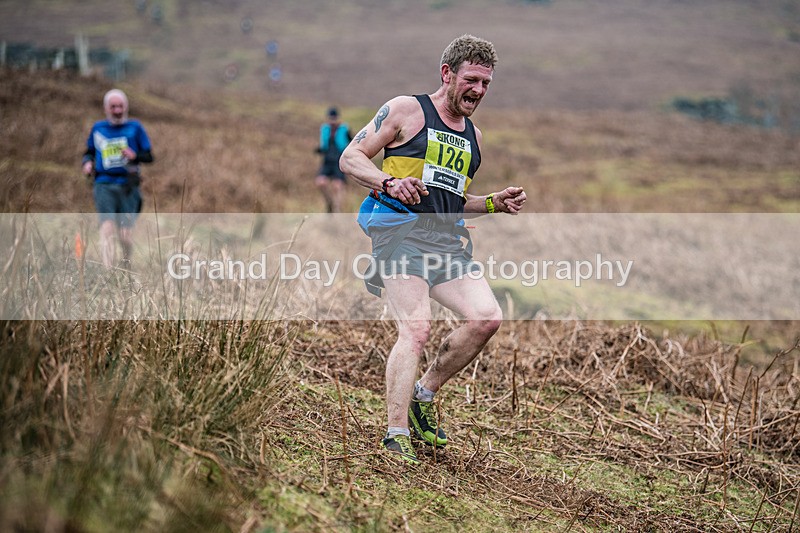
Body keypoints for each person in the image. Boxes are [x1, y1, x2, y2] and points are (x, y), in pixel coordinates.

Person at [340, 35, 527, 464]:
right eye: (472, 80)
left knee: (486, 319)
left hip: (445, 242)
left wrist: (494, 203)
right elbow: (351, 158)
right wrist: (388, 182)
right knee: (417, 330)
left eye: (486, 83)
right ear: (448, 74)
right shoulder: (407, 110)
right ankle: (395, 433)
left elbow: (452, 199)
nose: (479, 91)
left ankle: (423, 394)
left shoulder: (474, 136)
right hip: (400, 235)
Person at [82, 89, 153, 268]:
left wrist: (134, 155)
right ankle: (108, 272)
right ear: (106, 108)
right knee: (107, 228)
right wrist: (87, 163)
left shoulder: (135, 128)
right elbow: (89, 152)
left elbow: (149, 156)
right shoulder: (98, 129)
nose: (117, 110)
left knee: (125, 235)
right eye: (113, 107)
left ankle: (126, 264)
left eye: (120, 106)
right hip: (103, 184)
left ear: (126, 107)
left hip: (128, 185)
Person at [315, 107, 351, 213]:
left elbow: (352, 141)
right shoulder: (325, 129)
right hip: (327, 161)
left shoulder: (344, 129)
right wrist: (319, 150)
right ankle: (329, 203)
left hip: (339, 161)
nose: (332, 121)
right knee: (320, 182)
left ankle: (337, 210)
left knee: (337, 185)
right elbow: (324, 145)